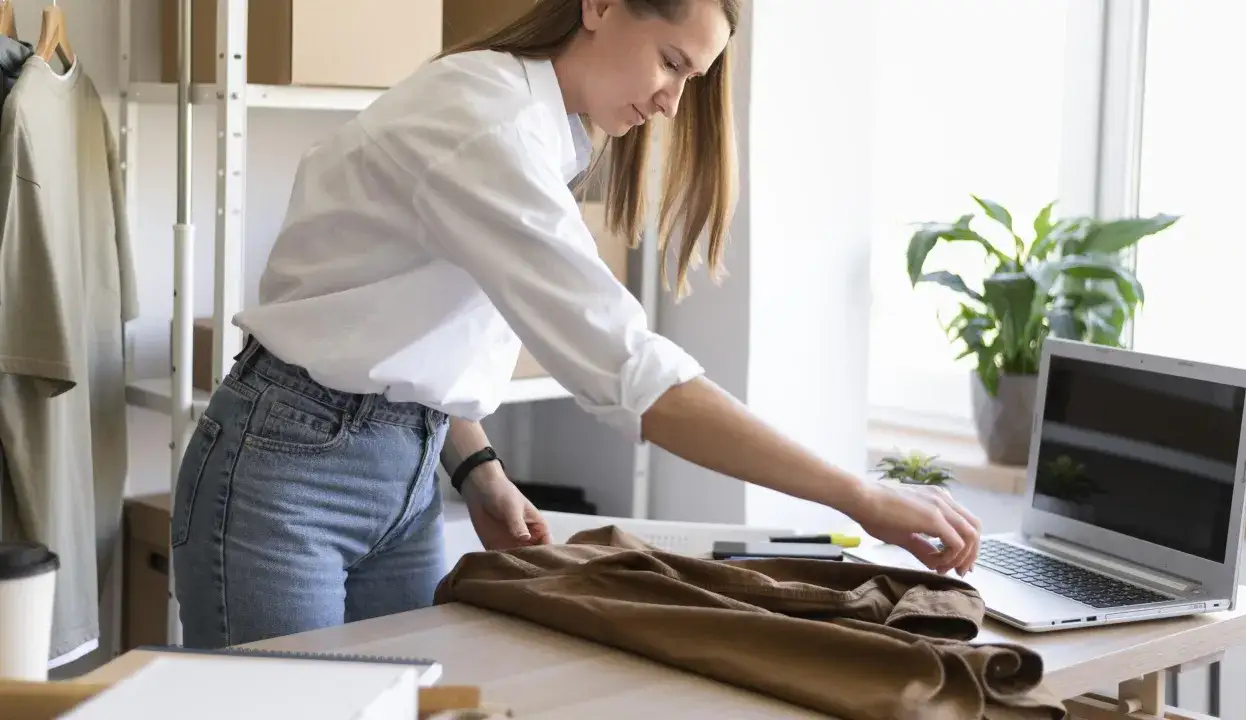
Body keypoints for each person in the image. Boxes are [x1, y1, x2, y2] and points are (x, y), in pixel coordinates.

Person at [171, 0, 982, 649]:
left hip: (407, 472)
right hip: (288, 473)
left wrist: (477, 466)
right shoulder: (483, 124)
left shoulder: (535, 132)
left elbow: (407, 325)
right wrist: (859, 496)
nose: (672, 101)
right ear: (598, 6)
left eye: (692, 78)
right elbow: (637, 377)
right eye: (672, 62)